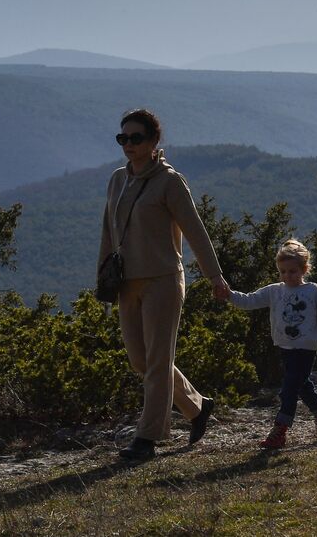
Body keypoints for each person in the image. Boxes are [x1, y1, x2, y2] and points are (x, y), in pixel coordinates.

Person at [100, 108, 231, 461]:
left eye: (135, 138)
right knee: (141, 360)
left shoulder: (170, 182)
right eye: (122, 138)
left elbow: (196, 231)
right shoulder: (116, 179)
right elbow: (108, 233)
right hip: (127, 282)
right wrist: (103, 281)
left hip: (163, 280)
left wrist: (214, 276)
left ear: (154, 141)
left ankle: (148, 438)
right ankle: (197, 406)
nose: (128, 144)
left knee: (158, 360)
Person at [222, 239, 317, 448]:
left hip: (306, 349)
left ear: (304, 269)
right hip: (284, 347)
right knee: (302, 387)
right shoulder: (274, 291)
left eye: (292, 271)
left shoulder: (313, 291)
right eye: (283, 271)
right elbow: (249, 300)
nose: (287, 276)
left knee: (289, 389)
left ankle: (280, 430)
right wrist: (229, 295)